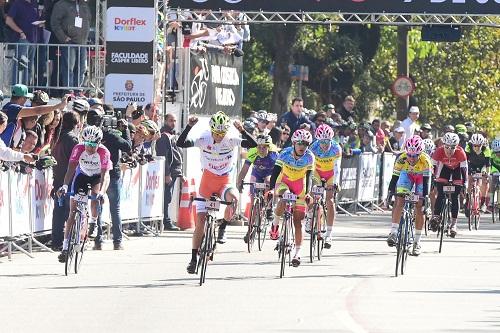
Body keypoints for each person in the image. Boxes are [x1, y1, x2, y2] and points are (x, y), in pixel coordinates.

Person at [176, 111, 257, 274]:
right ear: (211, 130)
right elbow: (181, 143)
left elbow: (253, 144)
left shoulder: (231, 139)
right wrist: (189, 127)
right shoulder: (203, 138)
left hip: (224, 181)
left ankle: (223, 228)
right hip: (207, 181)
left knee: (233, 199)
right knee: (200, 222)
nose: (219, 136)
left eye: (222, 133)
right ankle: (193, 258)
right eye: (216, 132)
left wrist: (242, 131)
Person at [56, 126, 112, 262]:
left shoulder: (104, 152)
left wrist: (102, 193)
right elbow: (70, 169)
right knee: (72, 212)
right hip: (82, 175)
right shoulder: (78, 149)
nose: (90, 147)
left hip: (98, 177)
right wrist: (64, 186)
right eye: (87, 143)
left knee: (95, 195)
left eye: (93, 144)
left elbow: (105, 176)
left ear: (99, 143)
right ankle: (65, 248)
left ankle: (93, 222)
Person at [268, 129, 314, 267]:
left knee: (298, 222)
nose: (302, 146)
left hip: (300, 186)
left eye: (305, 144)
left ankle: (297, 253)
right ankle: (275, 225)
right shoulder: (285, 153)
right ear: (294, 143)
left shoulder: (310, 156)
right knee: (284, 197)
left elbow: (309, 176)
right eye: (299, 143)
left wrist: (308, 193)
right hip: (284, 182)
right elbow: (275, 172)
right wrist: (271, 188)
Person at [93, 109, 132, 250]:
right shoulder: (110, 135)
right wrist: (126, 129)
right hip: (112, 175)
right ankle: (117, 241)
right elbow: (128, 146)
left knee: (97, 208)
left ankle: (98, 241)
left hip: (96, 174)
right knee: (114, 209)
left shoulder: (90, 135)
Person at [386, 135, 432, 256]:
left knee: (419, 207)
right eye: (409, 155)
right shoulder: (401, 158)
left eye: (415, 155)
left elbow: (427, 182)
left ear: (420, 153)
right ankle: (394, 232)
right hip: (406, 175)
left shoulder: (426, 161)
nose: (411, 158)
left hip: (421, 179)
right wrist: (390, 192)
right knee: (400, 200)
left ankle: (417, 242)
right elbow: (394, 178)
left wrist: (425, 197)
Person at [236, 134, 278, 242]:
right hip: (257, 173)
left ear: (269, 147)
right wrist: (239, 182)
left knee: (268, 181)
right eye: (259, 146)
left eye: (264, 147)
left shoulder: (274, 154)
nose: (261, 149)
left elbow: (280, 173)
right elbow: (244, 169)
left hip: (270, 173)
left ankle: (269, 207)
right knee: (253, 200)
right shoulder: (253, 152)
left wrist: (274, 188)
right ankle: (249, 229)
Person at [307, 124, 341, 249]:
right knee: (313, 193)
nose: (325, 144)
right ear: (318, 140)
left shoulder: (336, 148)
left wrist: (335, 182)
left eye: (327, 141)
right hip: (317, 172)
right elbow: (310, 166)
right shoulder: (313, 147)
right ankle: (310, 216)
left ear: (331, 139)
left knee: (330, 200)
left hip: (331, 174)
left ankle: (329, 234)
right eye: (322, 141)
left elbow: (337, 167)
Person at [1, 84, 68, 147]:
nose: (26, 101)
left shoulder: (8, 107)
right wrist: (58, 106)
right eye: (26, 98)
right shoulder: (12, 108)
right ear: (22, 98)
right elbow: (37, 111)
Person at [50, 110, 80, 251]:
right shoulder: (73, 139)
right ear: (76, 123)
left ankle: (56, 240)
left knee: (58, 211)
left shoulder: (56, 137)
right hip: (69, 180)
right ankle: (68, 241)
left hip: (57, 178)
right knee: (70, 212)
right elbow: (77, 161)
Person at [429, 132, 468, 238]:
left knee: (455, 197)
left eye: (452, 147)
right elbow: (432, 167)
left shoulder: (461, 152)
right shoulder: (438, 151)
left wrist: (465, 183)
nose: (449, 150)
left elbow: (464, 170)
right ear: (443, 145)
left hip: (457, 170)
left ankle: (454, 224)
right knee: (441, 194)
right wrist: (433, 180)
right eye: (447, 147)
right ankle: (436, 216)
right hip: (444, 169)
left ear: (457, 146)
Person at [50, 0, 91, 88]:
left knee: (82, 68)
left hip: (82, 43)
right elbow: (54, 23)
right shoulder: (61, 4)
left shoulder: (83, 4)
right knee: (69, 68)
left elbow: (89, 19)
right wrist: (64, 37)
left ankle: (78, 90)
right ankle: (69, 90)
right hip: (69, 42)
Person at [156, 113, 183, 231]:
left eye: (175, 120)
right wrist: (166, 174)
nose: (173, 123)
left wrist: (180, 173)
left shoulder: (173, 135)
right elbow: (164, 156)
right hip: (169, 172)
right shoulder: (163, 136)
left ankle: (166, 220)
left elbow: (176, 154)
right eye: (171, 120)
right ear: (165, 121)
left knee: (169, 197)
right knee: (166, 197)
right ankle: (165, 221)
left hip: (175, 171)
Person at [5, 0, 39, 85]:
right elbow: (8, 20)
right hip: (22, 40)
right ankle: (16, 89)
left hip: (33, 40)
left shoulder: (34, 4)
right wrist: (20, 32)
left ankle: (25, 89)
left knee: (29, 67)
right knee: (20, 65)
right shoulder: (17, 3)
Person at [464, 133, 491, 214]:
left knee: (485, 181)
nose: (476, 147)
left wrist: (487, 174)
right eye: (475, 145)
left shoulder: (486, 149)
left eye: (479, 145)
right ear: (472, 144)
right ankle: (468, 201)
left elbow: (488, 164)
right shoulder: (468, 146)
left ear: (482, 144)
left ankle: (483, 203)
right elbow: (465, 161)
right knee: (469, 181)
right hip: (471, 164)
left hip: (482, 165)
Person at [489, 138, 500, 212]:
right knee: (493, 181)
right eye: (496, 152)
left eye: (499, 152)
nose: (498, 154)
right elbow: (489, 163)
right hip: (495, 168)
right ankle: (491, 200)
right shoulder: (491, 153)